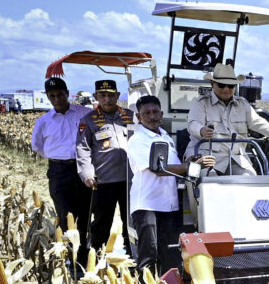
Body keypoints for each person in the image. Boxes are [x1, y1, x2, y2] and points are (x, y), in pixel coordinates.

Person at [126, 96, 214, 273]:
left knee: (170, 255)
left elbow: (175, 166)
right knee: (149, 255)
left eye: (155, 112)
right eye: (146, 113)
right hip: (147, 206)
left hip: (169, 206)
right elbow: (159, 169)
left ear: (161, 114)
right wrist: (192, 167)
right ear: (138, 116)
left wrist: (190, 161)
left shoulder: (165, 136)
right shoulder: (137, 140)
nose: (152, 117)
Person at [186, 63, 269, 175]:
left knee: (250, 178)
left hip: (235, 158)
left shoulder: (242, 104)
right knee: (205, 180)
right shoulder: (201, 103)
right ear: (212, 84)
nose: (226, 89)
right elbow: (193, 124)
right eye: (221, 85)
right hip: (205, 157)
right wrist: (202, 130)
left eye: (231, 86)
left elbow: (257, 122)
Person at [32, 77, 92, 260]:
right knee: (65, 212)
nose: (57, 99)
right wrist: (58, 156)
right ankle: (70, 254)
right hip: (58, 171)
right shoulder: (43, 121)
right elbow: (37, 146)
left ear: (67, 93)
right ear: (48, 97)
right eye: (52, 96)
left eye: (60, 94)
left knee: (84, 211)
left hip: (83, 168)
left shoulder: (85, 113)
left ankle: (85, 254)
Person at [76, 79, 134, 254]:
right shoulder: (88, 120)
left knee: (131, 221)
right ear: (96, 96)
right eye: (102, 95)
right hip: (104, 181)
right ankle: (96, 257)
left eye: (111, 95)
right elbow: (83, 149)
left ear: (118, 95)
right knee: (102, 222)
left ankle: (132, 254)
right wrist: (87, 174)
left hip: (130, 180)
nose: (107, 99)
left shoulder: (130, 117)